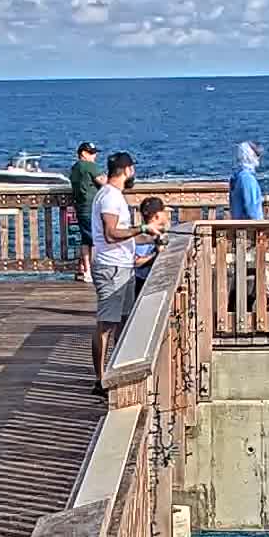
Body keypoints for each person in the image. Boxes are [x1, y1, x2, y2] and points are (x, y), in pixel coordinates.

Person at [89, 151, 163, 394]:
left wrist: (151, 236)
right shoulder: (110, 197)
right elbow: (111, 234)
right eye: (133, 169)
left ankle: (116, 374)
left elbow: (125, 235)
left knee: (123, 323)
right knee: (106, 325)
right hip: (111, 268)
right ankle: (100, 380)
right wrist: (142, 227)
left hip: (123, 266)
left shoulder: (114, 196)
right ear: (127, 170)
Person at [68, 141, 104, 283]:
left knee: (85, 239)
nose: (94, 155)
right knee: (96, 239)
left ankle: (87, 271)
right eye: (91, 153)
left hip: (81, 207)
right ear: (83, 153)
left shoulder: (75, 167)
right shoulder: (89, 166)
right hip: (91, 207)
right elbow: (104, 181)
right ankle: (96, 271)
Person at [133, 197, 169, 286]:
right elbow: (136, 262)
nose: (166, 214)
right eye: (164, 211)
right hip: (142, 281)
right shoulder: (142, 236)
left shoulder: (161, 233)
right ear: (157, 216)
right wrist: (157, 256)